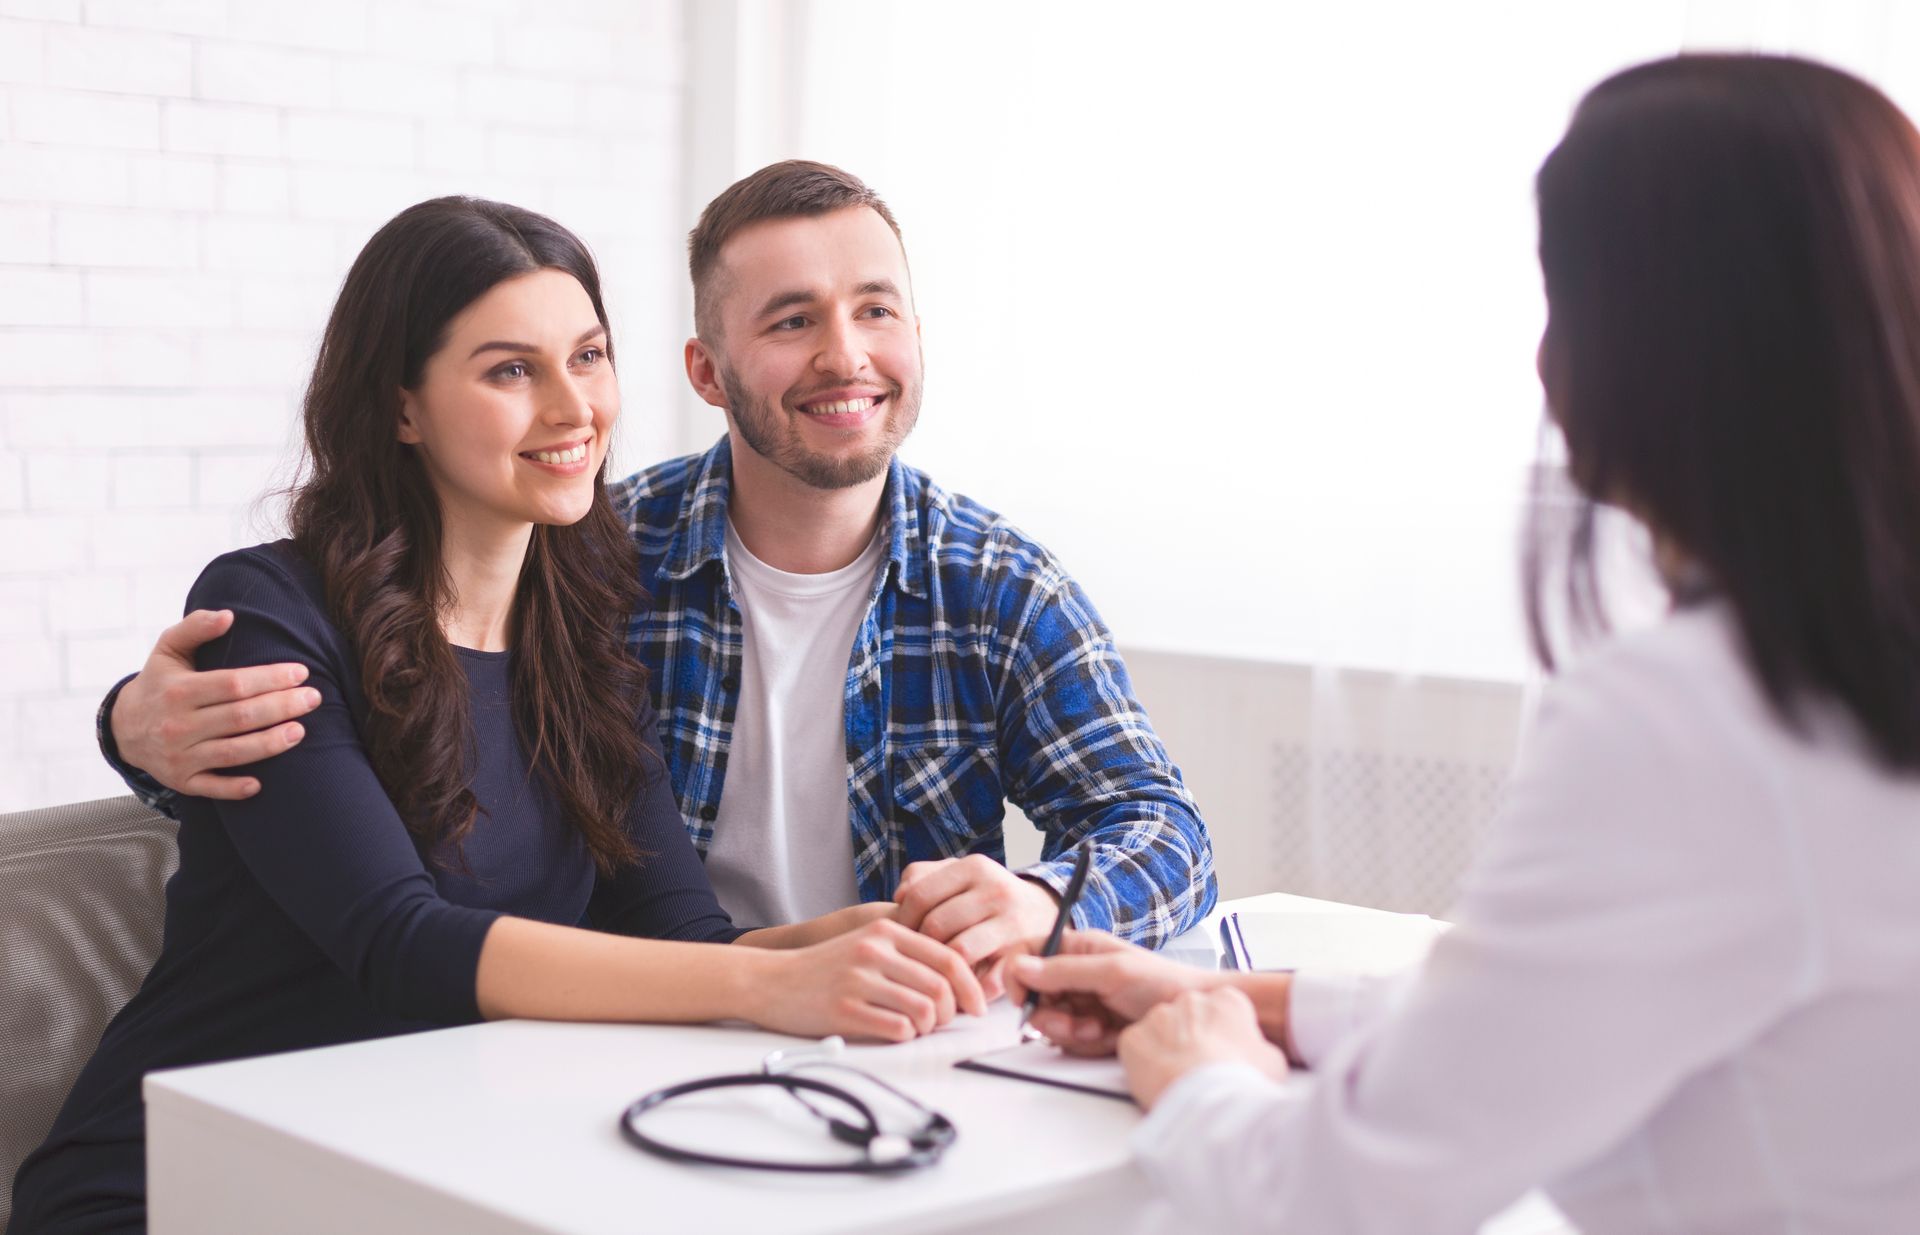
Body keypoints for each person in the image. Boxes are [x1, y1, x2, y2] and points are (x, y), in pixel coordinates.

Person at [1007, 54, 1920, 1233]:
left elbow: (1340, 1194)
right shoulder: (1840, 679)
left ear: (1672, 343)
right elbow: (1556, 1011)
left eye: (1566, 304)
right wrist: (1238, 998)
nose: (1546, 362)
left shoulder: (1687, 717)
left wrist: (1196, 1066)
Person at [11, 198, 986, 1235]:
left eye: (589, 356)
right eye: (511, 370)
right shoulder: (270, 613)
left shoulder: (585, 640)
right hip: (188, 1182)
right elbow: (405, 944)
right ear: (401, 407)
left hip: (437, 1173)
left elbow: (684, 934)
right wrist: (770, 984)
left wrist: (888, 933)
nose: (574, 408)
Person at [95, 161, 1218, 972]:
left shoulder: (1000, 590)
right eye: (792, 319)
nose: (846, 353)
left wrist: (1035, 898)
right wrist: (135, 730)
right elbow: (348, 758)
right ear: (707, 369)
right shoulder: (596, 556)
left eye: (876, 310)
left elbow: (1160, 825)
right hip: (630, 1033)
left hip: (835, 1026)